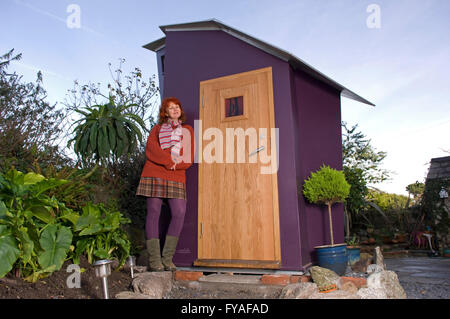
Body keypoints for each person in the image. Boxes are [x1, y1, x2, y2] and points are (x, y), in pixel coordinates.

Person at [136, 97, 194, 271]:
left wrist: (176, 164)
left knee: (179, 212)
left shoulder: (187, 130)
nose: (175, 109)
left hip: (176, 175)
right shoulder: (157, 129)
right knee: (153, 212)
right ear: (165, 112)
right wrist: (170, 161)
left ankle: (167, 259)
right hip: (154, 173)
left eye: (177, 106)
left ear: (180, 110)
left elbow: (188, 157)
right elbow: (151, 150)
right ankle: (155, 261)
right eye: (170, 107)